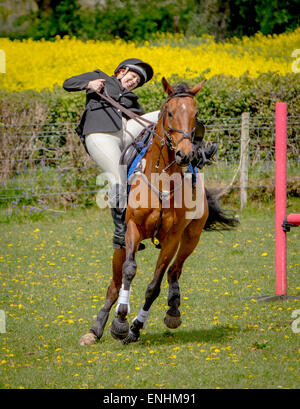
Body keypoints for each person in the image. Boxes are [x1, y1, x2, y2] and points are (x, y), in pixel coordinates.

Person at [63, 59, 217, 250]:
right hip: (101, 134)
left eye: (138, 81)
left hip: (125, 130)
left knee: (172, 111)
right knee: (116, 177)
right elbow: (67, 83)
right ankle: (121, 232)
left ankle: (196, 152)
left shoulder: (132, 99)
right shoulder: (99, 77)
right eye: (133, 76)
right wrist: (88, 85)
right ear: (121, 71)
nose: (134, 81)